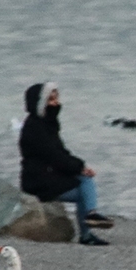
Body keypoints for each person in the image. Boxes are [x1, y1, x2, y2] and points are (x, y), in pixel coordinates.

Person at [19, 82, 113, 246]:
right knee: (85, 183)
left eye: (56, 98)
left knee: (83, 183)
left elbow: (61, 153)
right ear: (41, 103)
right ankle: (89, 224)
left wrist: (80, 167)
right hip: (38, 182)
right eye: (51, 100)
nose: (57, 103)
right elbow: (54, 157)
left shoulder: (47, 124)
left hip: (47, 177)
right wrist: (79, 167)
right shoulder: (35, 128)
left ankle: (88, 229)